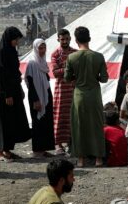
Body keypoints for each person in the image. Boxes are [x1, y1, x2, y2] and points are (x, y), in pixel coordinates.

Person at [64, 26, 108, 167]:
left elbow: (67, 78)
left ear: (76, 40)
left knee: (79, 126)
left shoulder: (71, 57)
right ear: (89, 38)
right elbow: (104, 79)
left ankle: (81, 159)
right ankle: (98, 158)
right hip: (94, 95)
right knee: (96, 125)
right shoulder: (98, 56)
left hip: (79, 96)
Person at [0, 27, 31, 161]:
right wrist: (7, 94)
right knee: (4, 121)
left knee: (12, 121)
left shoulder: (11, 51)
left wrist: (19, 89)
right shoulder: (1, 52)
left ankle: (7, 150)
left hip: (13, 88)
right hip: (4, 91)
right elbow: (0, 74)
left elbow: (14, 71)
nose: (17, 42)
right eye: (15, 39)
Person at [25, 39, 55, 158]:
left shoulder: (42, 62)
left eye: (44, 48)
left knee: (46, 122)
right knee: (38, 123)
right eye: (40, 48)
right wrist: (36, 100)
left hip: (46, 94)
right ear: (36, 49)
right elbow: (30, 83)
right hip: (36, 96)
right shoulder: (32, 63)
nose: (42, 51)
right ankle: (37, 150)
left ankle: (43, 149)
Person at [51, 29, 76, 155]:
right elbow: (55, 73)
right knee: (59, 116)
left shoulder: (75, 53)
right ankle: (58, 144)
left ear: (70, 38)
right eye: (62, 39)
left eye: (67, 39)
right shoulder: (55, 54)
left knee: (72, 116)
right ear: (58, 40)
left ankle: (71, 143)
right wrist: (69, 68)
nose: (65, 41)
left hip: (73, 89)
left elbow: (78, 71)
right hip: (61, 91)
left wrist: (64, 68)